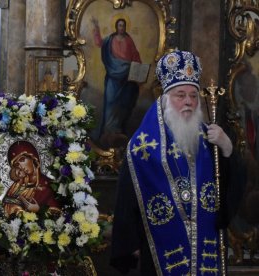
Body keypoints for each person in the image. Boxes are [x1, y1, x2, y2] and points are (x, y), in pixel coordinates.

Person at [110, 50, 244, 275]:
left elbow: (231, 189)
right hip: (160, 251)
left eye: (193, 95)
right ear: (165, 98)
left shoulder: (210, 138)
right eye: (180, 95)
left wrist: (227, 148)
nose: (189, 102)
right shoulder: (143, 146)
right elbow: (127, 197)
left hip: (205, 243)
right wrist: (130, 242)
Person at [91, 16, 142, 149]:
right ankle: (108, 131)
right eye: (119, 25)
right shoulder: (110, 39)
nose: (121, 28)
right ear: (116, 27)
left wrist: (138, 73)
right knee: (110, 103)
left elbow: (135, 56)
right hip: (113, 78)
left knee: (123, 104)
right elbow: (99, 43)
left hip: (126, 78)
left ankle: (118, 130)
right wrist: (96, 28)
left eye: (123, 26)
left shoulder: (129, 40)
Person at [2, 141, 59, 216]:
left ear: (33, 157)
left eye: (22, 159)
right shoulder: (17, 186)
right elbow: (5, 206)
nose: (21, 166)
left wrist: (38, 209)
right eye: (17, 164)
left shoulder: (49, 185)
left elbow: (58, 213)